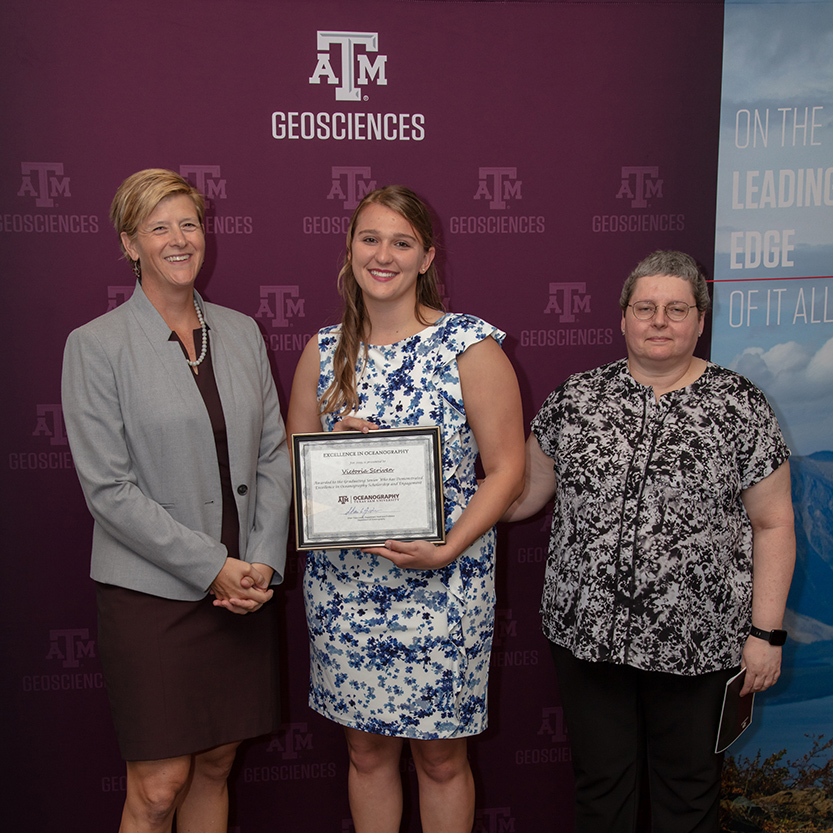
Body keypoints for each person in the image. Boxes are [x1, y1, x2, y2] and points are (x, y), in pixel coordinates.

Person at [503, 251, 795, 833]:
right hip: (588, 638)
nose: (660, 320)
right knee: (601, 790)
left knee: (688, 794)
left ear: (699, 321)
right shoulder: (575, 399)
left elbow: (773, 524)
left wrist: (765, 634)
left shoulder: (741, 405)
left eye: (676, 309)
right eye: (646, 308)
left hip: (698, 639)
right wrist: (414, 490)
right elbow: (523, 496)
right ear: (623, 318)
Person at [287, 185, 525, 833]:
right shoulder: (322, 349)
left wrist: (448, 546)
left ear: (426, 256)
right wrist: (326, 454)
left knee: (442, 757)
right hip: (345, 591)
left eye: (401, 242)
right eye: (370, 238)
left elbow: (507, 471)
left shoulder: (468, 346)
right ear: (349, 248)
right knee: (364, 751)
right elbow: (294, 463)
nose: (383, 254)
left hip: (444, 585)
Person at [62, 169, 292, 833]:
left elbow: (273, 456)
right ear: (130, 244)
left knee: (217, 762)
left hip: (241, 591)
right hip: (151, 597)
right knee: (158, 788)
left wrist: (260, 564)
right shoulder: (95, 346)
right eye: (158, 227)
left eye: (188, 223)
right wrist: (211, 564)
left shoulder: (243, 333)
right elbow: (108, 490)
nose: (178, 238)